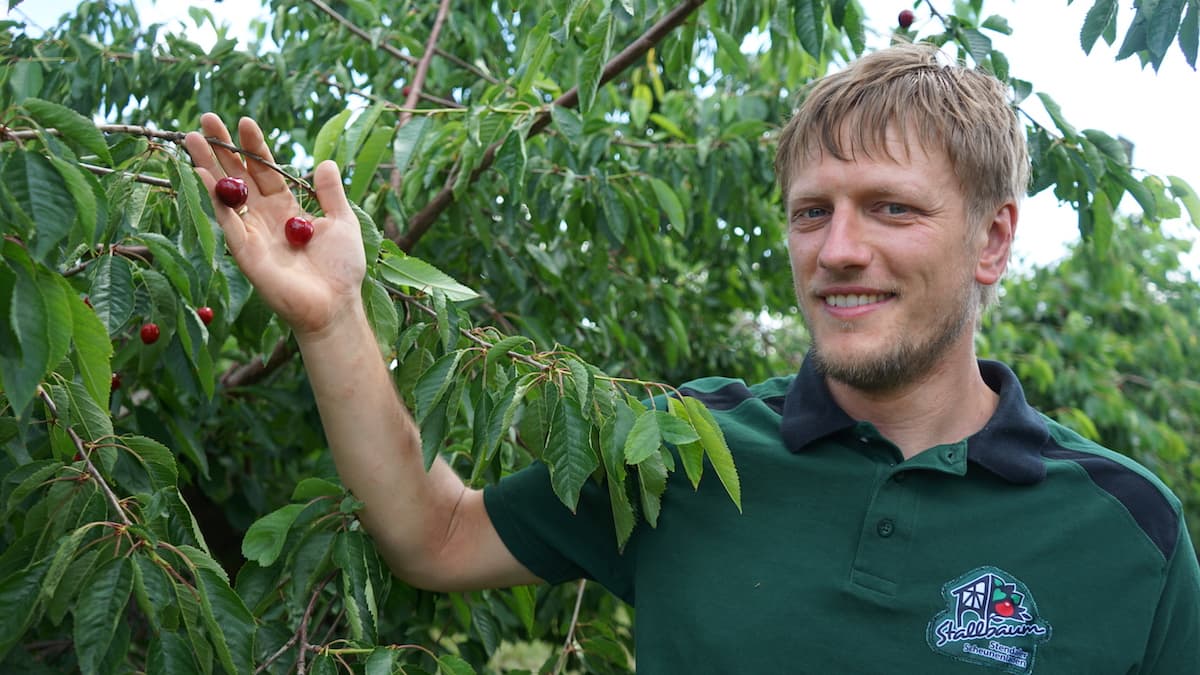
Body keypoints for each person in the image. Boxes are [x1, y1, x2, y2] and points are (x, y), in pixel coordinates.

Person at [186, 43, 1199, 673]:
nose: (839, 248)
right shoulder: (688, 448)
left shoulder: (1126, 533)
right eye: (813, 212)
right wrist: (333, 321)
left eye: (892, 208)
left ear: (991, 240)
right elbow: (435, 534)